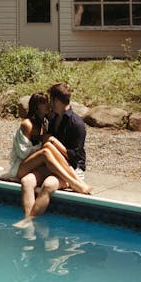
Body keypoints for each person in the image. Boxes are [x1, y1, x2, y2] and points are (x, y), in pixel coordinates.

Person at [18, 82, 91, 221]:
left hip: (71, 168)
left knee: (48, 184)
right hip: (52, 164)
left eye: (50, 99)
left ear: (56, 100)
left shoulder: (77, 123)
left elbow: (75, 157)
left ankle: (28, 221)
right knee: (26, 181)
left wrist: (53, 141)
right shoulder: (51, 118)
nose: (49, 103)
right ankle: (28, 223)